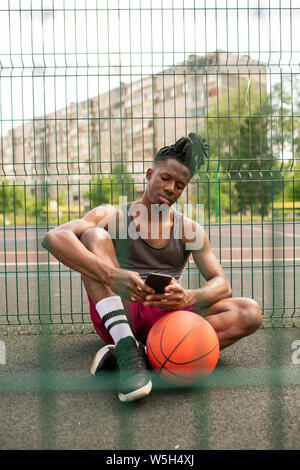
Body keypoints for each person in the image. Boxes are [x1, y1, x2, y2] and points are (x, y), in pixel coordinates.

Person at [42, 133, 262, 403]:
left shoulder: (189, 230)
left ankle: (141, 355)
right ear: (149, 174)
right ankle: (125, 344)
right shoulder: (112, 215)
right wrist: (113, 274)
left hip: (168, 317)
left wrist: (189, 296)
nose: (171, 189)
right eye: (165, 178)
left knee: (248, 311)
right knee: (93, 236)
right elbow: (54, 237)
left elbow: (222, 284)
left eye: (180, 185)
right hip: (121, 309)